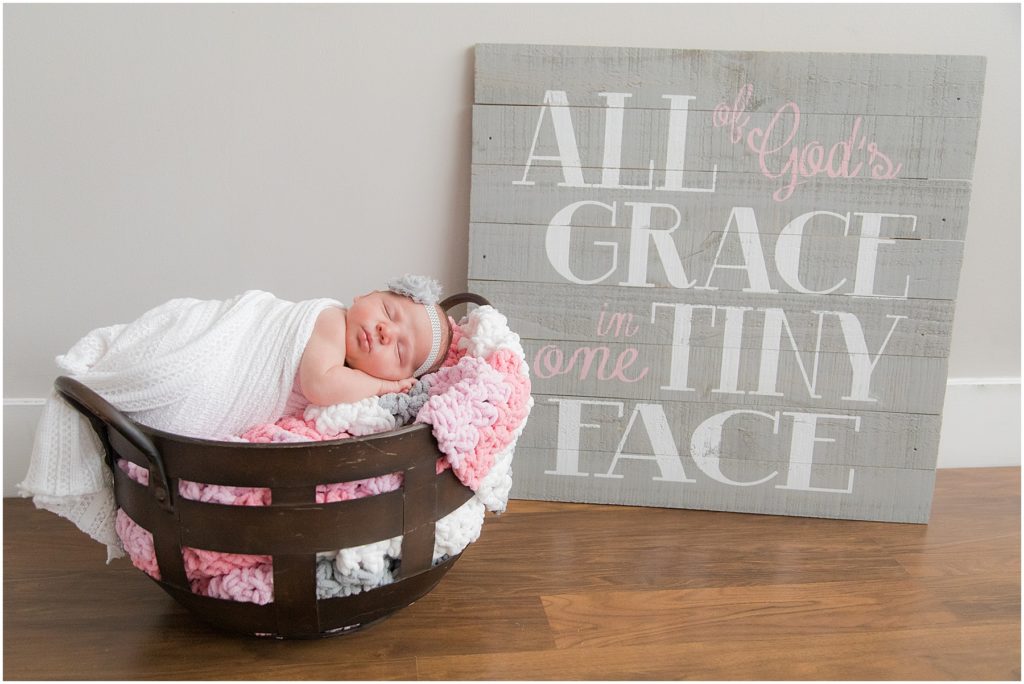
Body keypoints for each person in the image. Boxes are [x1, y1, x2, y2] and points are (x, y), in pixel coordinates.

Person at [298, 275, 454, 405]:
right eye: (388, 312)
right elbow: (319, 386)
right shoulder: (332, 320)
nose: (386, 331)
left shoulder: (352, 386)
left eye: (399, 350)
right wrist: (382, 386)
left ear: (402, 377)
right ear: (365, 296)